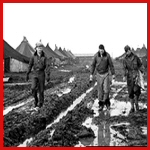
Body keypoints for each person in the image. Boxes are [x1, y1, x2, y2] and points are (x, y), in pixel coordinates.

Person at [90, 44, 115, 111]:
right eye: (100, 50)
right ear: (99, 50)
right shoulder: (96, 56)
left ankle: (107, 103)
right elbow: (93, 65)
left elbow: (111, 65)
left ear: (104, 50)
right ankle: (101, 104)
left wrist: (113, 74)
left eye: (102, 50)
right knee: (100, 91)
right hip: (98, 74)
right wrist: (91, 74)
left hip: (106, 74)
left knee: (106, 90)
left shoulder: (107, 55)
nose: (101, 51)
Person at [26, 41, 50, 109]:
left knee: (41, 90)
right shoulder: (33, 56)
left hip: (41, 74)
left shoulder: (45, 57)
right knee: (33, 88)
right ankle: (36, 100)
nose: (40, 49)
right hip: (34, 74)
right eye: (39, 48)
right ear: (36, 48)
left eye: (41, 48)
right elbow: (30, 65)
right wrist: (27, 74)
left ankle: (41, 103)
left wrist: (48, 75)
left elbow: (47, 66)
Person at [123, 45, 144, 113]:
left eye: (128, 50)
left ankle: (136, 103)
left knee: (137, 92)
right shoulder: (125, 59)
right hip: (129, 77)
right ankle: (132, 107)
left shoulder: (136, 57)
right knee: (130, 92)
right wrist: (124, 75)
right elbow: (124, 68)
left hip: (136, 76)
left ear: (130, 50)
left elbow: (140, 65)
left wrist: (142, 71)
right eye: (126, 51)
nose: (127, 52)